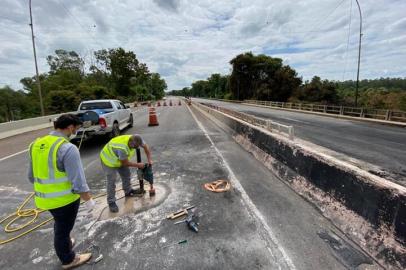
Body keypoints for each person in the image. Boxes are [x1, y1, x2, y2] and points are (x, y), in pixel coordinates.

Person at [28, 114, 95, 269]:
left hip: (44, 199)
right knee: (62, 229)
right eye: (76, 128)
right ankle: (68, 259)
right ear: (70, 127)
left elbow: (31, 176)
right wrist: (89, 200)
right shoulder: (68, 148)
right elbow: (78, 182)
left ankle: (65, 242)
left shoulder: (35, 144)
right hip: (64, 200)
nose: (76, 131)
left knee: (61, 225)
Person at [100, 134, 153, 213]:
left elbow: (146, 148)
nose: (135, 148)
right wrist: (138, 165)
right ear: (130, 142)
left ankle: (128, 191)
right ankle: (111, 202)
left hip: (119, 159)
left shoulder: (137, 138)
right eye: (134, 147)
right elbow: (125, 163)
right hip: (108, 160)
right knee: (112, 180)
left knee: (126, 174)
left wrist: (149, 160)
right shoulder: (122, 148)